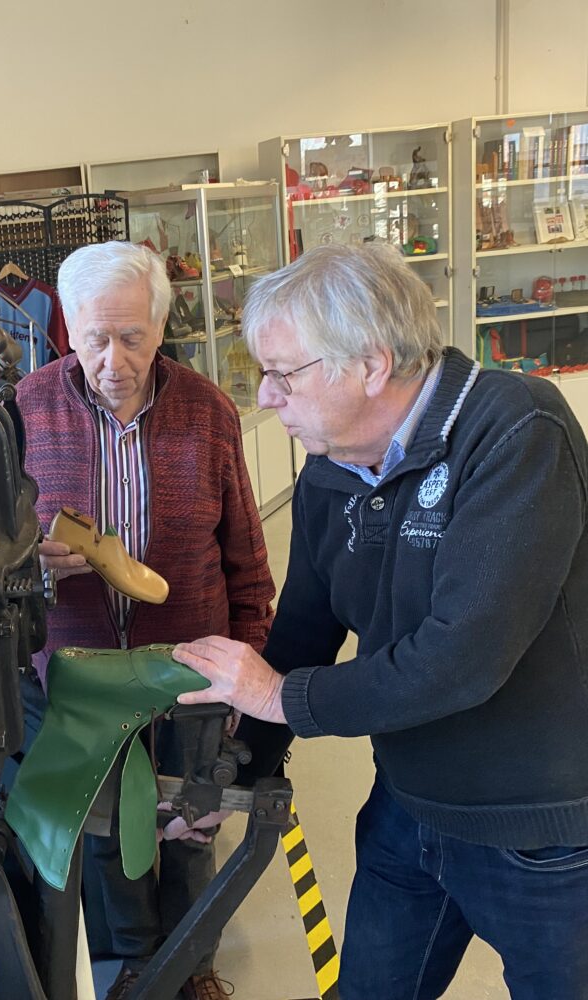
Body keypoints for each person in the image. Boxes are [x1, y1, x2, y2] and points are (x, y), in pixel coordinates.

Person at [173, 243, 588, 1000]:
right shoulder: (333, 463)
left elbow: (464, 656)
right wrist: (231, 779)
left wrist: (282, 698)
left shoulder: (516, 429)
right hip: (409, 801)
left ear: (369, 363)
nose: (266, 397)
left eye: (283, 374)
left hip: (538, 828)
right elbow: (303, 629)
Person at [15, 240, 275, 1000]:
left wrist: (247, 677)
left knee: (191, 820)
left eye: (132, 336)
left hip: (190, 664)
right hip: (79, 672)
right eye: (95, 337)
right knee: (109, 830)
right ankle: (135, 963)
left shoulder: (208, 411)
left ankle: (191, 967)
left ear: (162, 327)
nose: (114, 358)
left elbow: (247, 559)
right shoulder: (27, 407)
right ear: (68, 328)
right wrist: (35, 564)